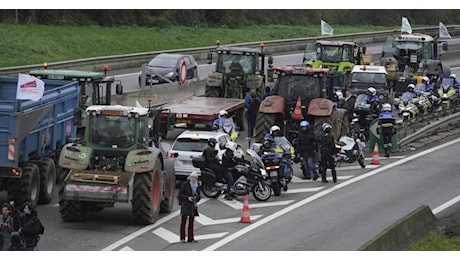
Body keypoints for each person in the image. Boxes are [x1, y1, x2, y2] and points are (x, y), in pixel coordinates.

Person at [178, 171, 201, 243]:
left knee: (191, 222)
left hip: (193, 206)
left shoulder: (197, 186)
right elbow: (180, 195)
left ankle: (191, 238)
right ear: (189, 177)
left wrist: (196, 198)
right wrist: (188, 198)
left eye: (194, 178)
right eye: (192, 177)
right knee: (183, 222)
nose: (193, 179)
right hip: (185, 205)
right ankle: (182, 238)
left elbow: (199, 196)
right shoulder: (185, 184)